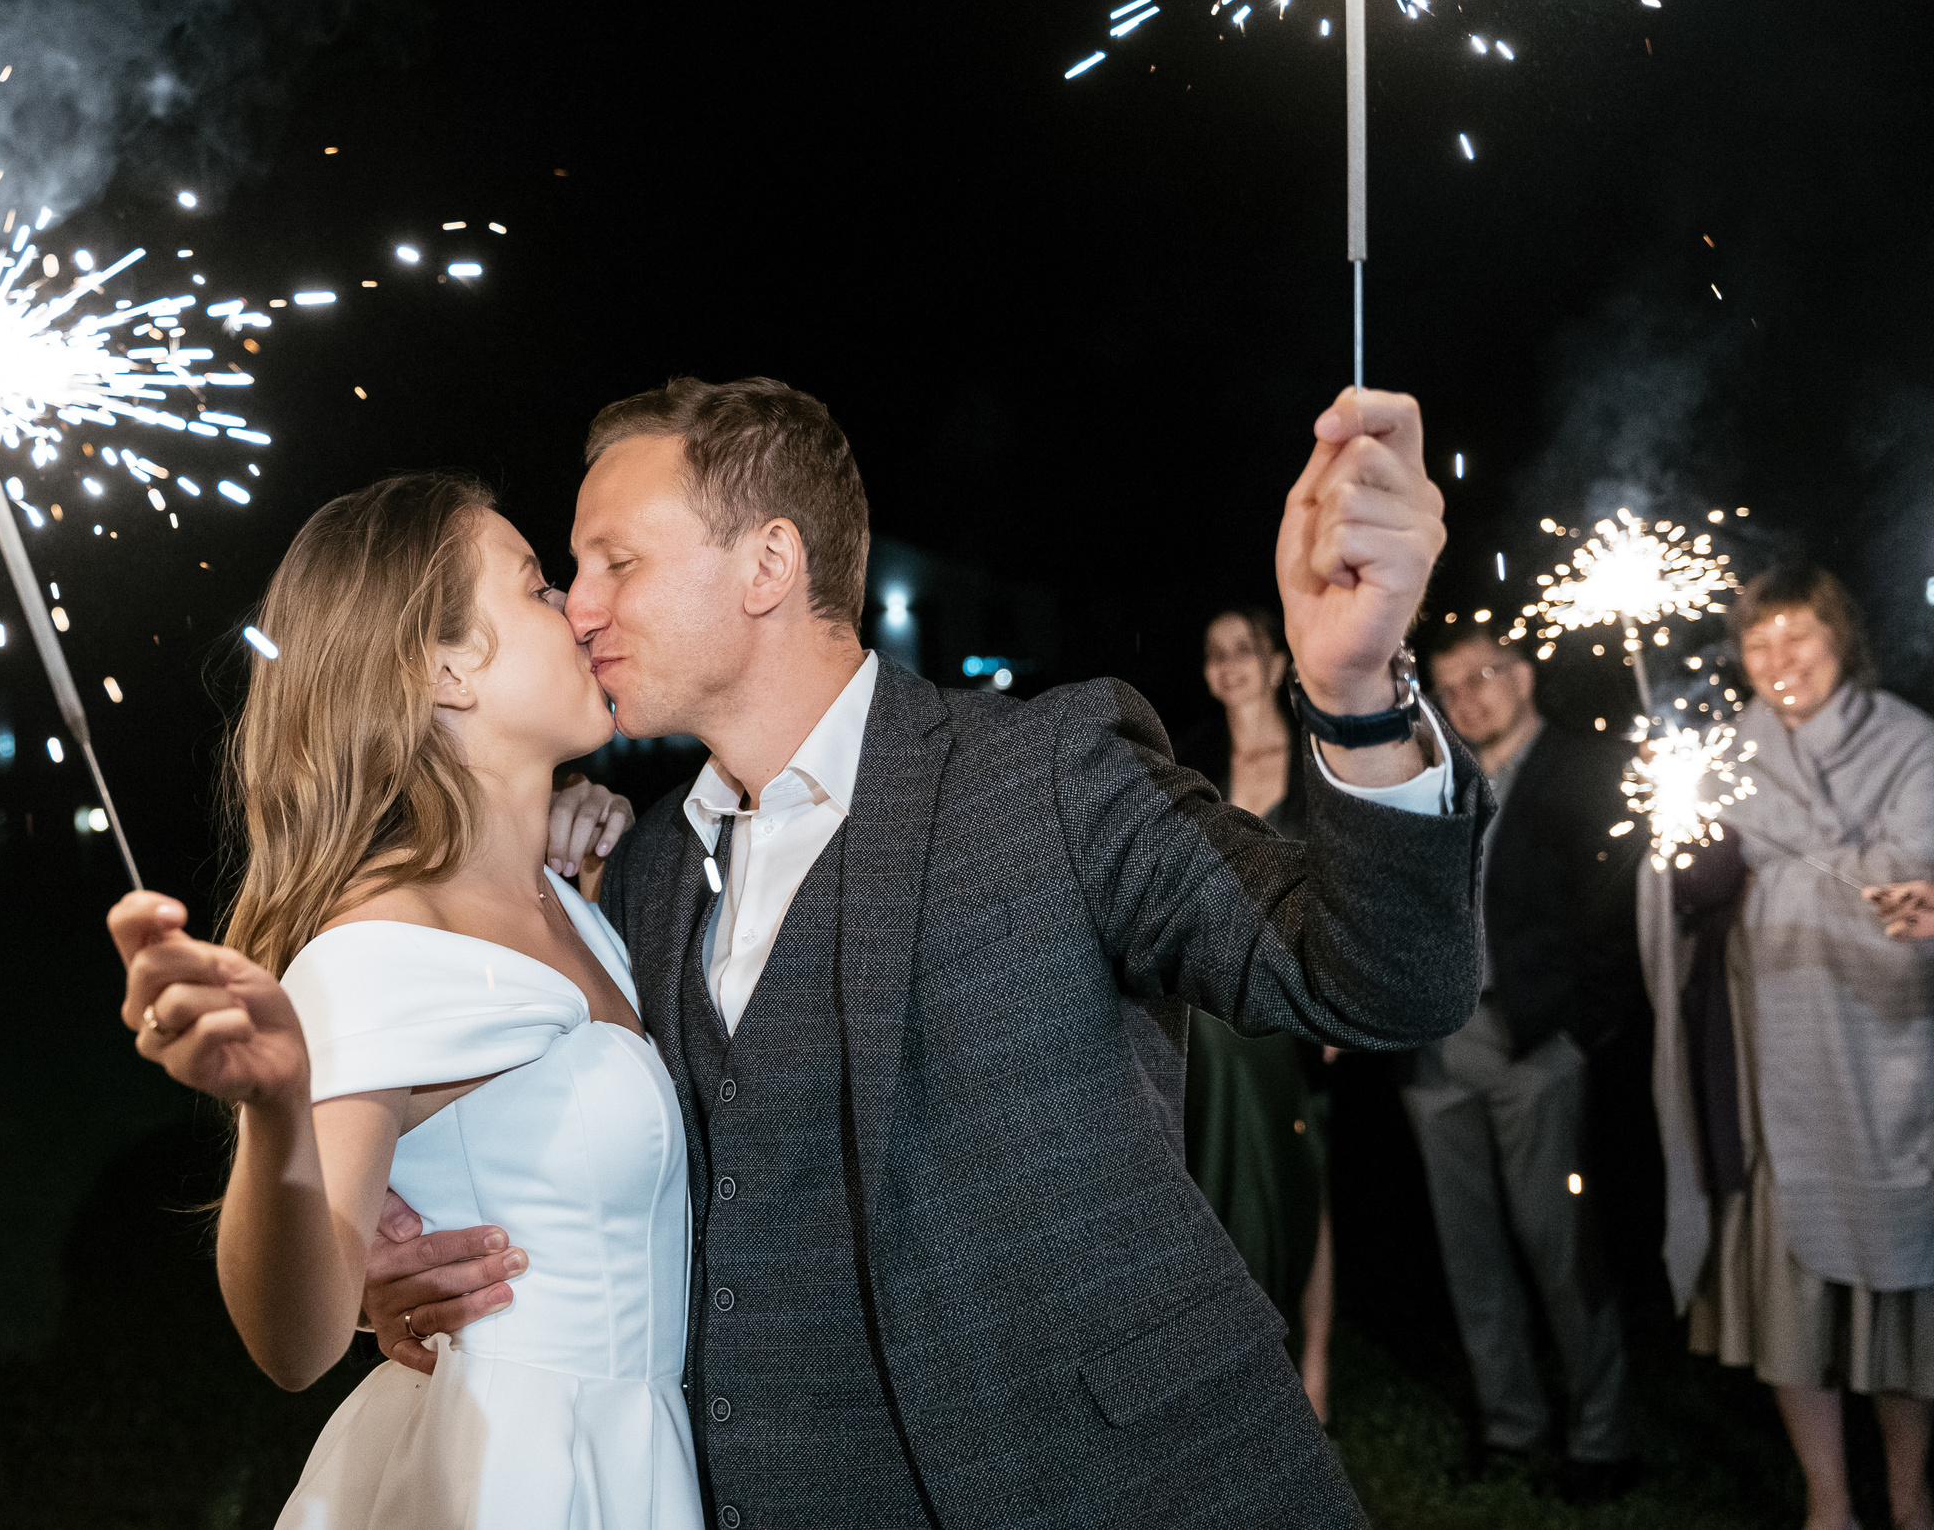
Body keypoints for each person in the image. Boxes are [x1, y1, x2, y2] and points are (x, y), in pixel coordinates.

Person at [358, 376, 1489, 1528]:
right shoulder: (637, 874)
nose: (581, 608)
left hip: (1126, 1492)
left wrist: (1355, 700)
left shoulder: (1051, 771)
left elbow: (1376, 979)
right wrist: (403, 1265)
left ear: (768, 564)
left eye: (617, 562)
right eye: (573, 570)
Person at [109, 474, 678, 1528]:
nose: (577, 609)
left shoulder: (576, 900)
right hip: (503, 1482)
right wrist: (276, 1106)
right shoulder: (384, 947)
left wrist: (599, 842)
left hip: (629, 1463)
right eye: (537, 588)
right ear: (444, 668)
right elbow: (295, 1343)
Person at [1641, 563, 1934, 1530]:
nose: (1781, 659)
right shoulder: (1726, 753)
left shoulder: (1909, 743)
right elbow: (1685, 889)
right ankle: (1828, 1497)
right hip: (1772, 1059)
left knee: (1904, 1286)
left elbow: (1913, 873)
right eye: (1759, 642)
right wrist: (1684, 853)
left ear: (1840, 636)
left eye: (1799, 634)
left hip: (1894, 1060)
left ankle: (1910, 1489)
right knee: (1791, 1291)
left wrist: (1775, 867)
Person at [1414, 622, 1640, 1498]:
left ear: (1524, 672)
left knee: (1561, 1245)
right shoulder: (1437, 780)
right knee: (1468, 1249)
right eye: (1448, 687)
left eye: (1481, 676)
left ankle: (1602, 1437)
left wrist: (1580, 1030)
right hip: (1437, 1045)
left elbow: (1617, 908)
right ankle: (1510, 1423)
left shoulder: (1583, 769)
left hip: (1536, 1039)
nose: (1465, 698)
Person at [1174, 606, 1335, 1423]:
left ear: (1278, 663)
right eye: (1216, 652)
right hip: (1213, 1008)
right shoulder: (1188, 765)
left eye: (1245, 649)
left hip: (1305, 1003)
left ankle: (1313, 1367)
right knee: (1216, 1166)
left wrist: (1343, 996)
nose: (1230, 663)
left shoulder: (1322, 762)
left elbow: (1347, 889)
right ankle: (1232, 1357)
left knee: (1307, 1173)